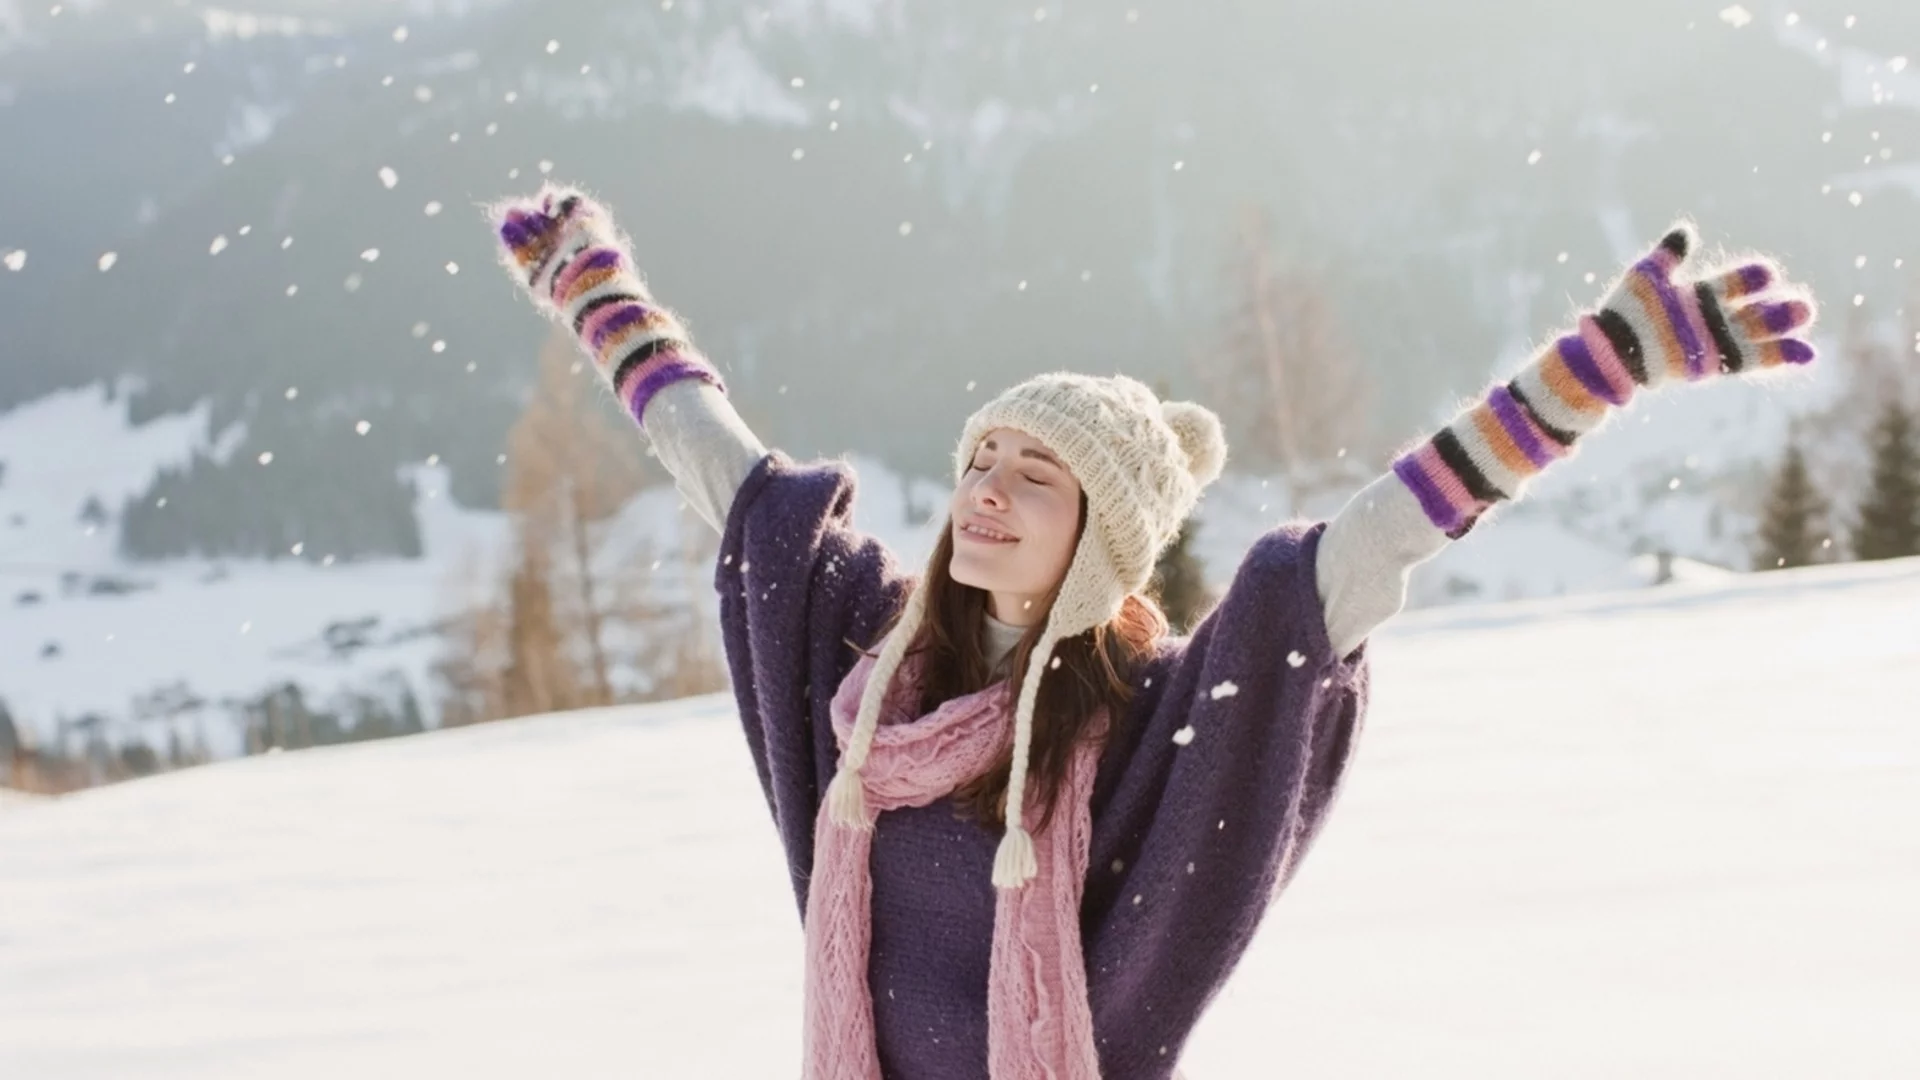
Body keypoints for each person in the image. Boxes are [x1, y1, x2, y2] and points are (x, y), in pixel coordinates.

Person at [491, 186, 1818, 1079]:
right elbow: (738, 488)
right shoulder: (874, 670)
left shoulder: (1149, 719)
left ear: (1100, 542)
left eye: (1037, 477)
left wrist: (1590, 373)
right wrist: (605, 301)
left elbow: (1353, 559)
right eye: (983, 459)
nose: (989, 494)